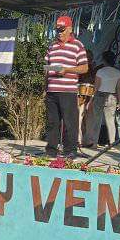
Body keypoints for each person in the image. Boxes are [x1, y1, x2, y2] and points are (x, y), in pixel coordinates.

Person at [44, 15, 89, 158]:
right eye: (57, 30)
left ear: (70, 29)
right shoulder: (51, 46)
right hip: (52, 90)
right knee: (52, 122)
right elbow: (46, 69)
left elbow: (84, 68)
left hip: (68, 90)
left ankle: (70, 151)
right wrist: (45, 88)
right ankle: (51, 150)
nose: (59, 32)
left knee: (70, 122)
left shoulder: (77, 45)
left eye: (62, 30)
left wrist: (67, 70)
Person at [84, 52, 120, 147]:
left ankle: (94, 143)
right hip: (112, 96)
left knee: (97, 120)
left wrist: (90, 100)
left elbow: (96, 87)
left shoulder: (100, 71)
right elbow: (119, 89)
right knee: (111, 121)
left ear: (104, 60)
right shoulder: (118, 72)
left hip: (100, 95)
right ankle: (112, 143)